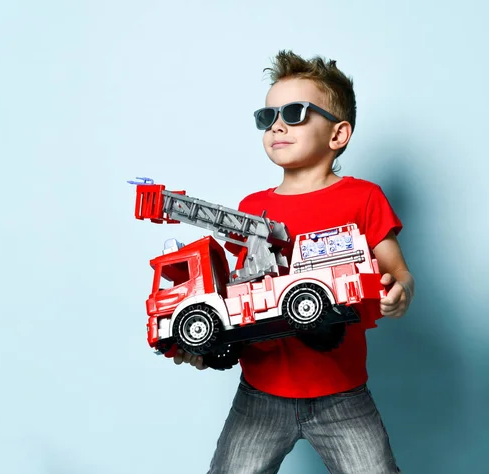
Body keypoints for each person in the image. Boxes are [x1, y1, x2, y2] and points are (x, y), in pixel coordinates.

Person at [172, 50, 415, 473]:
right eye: (267, 118)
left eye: (295, 113)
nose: (277, 125)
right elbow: (239, 293)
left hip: (343, 395)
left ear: (338, 134)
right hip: (260, 394)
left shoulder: (364, 198)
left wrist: (399, 292)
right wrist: (205, 343)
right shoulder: (251, 210)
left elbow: (399, 273)